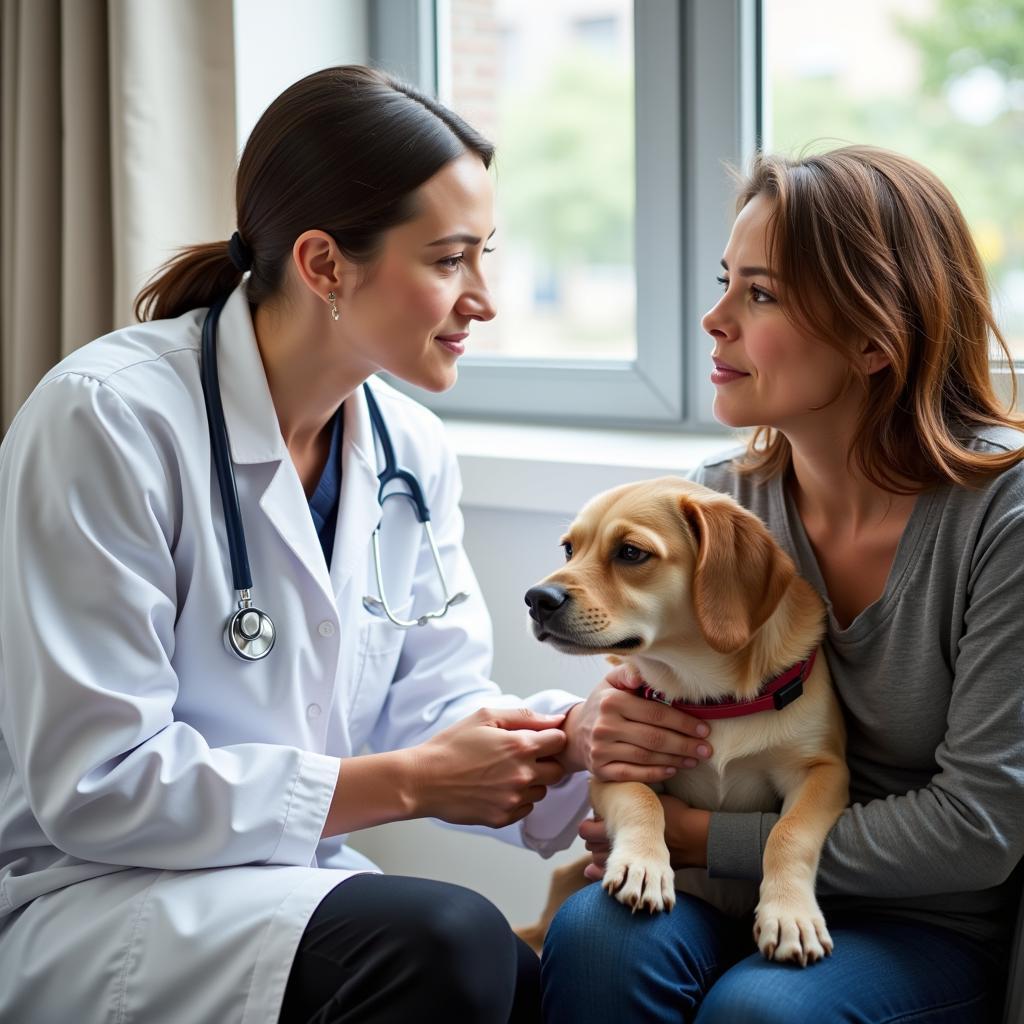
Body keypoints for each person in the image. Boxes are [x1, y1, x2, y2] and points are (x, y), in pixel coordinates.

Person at [0, 66, 713, 1024]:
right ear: (325, 264)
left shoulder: (406, 450)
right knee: (451, 944)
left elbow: (436, 699)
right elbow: (99, 785)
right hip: (96, 891)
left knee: (531, 979)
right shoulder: (109, 421)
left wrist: (574, 739)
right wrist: (411, 784)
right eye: (450, 261)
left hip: (282, 880)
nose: (484, 299)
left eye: (484, 255)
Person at [541, 146, 1024, 1023]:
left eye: (758, 294)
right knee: (594, 939)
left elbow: (979, 829)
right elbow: (644, 691)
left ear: (875, 340)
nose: (712, 319)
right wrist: (597, 725)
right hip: (713, 888)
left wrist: (697, 837)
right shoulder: (720, 499)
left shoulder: (1003, 523)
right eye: (726, 281)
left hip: (917, 919)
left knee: (762, 1011)